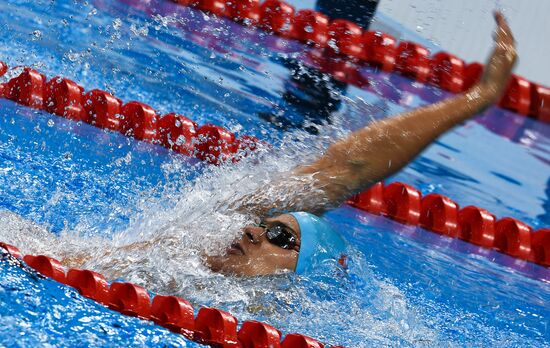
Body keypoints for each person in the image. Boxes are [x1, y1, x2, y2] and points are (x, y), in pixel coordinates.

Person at [61, 12, 516, 278]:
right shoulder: (179, 257)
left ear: (298, 273)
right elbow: (345, 169)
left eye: (280, 237)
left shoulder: (257, 317)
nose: (254, 231)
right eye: (267, 225)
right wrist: (475, 99)